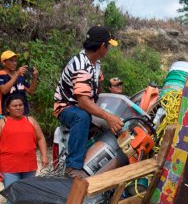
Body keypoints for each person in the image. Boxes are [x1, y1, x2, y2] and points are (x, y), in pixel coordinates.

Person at [53, 25, 124, 178]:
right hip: (66, 107)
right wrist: (108, 117)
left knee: (113, 121)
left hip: (80, 105)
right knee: (82, 117)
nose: (108, 49)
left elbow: (94, 95)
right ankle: (73, 166)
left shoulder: (95, 64)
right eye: (108, 45)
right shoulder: (81, 66)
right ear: (101, 46)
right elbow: (83, 102)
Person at [0, 94, 48, 192]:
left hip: (29, 165)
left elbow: (41, 138)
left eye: (20, 105)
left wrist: (44, 156)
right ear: (8, 109)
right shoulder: (2, 122)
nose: (18, 108)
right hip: (9, 167)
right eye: (15, 106)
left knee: (28, 195)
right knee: (13, 197)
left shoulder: (30, 120)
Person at [0, 50, 39, 115]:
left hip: (23, 112)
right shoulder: (1, 74)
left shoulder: (20, 75)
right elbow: (4, 90)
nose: (14, 63)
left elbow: (31, 91)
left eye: (15, 61)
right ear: (4, 62)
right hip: (6, 113)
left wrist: (35, 78)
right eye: (11, 60)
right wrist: (17, 74)